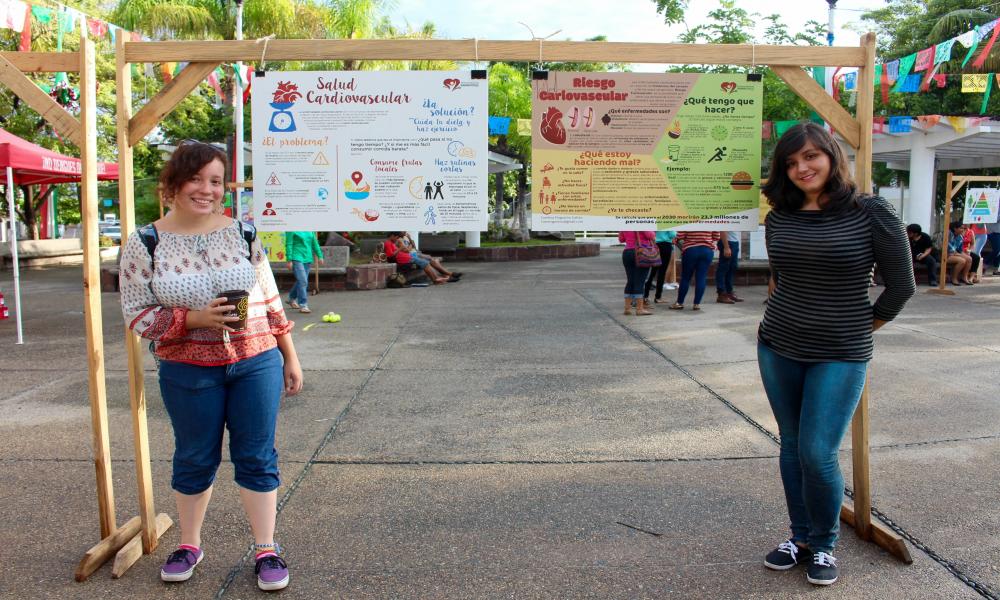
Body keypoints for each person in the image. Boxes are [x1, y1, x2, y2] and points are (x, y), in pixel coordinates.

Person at [118, 141, 302, 592]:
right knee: (195, 457)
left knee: (257, 456)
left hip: (256, 360)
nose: (207, 189)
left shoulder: (243, 232)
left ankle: (266, 548)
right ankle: (189, 544)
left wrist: (289, 354)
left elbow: (268, 295)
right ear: (174, 184)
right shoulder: (145, 243)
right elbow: (137, 313)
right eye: (197, 179)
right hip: (187, 368)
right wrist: (191, 319)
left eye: (216, 181)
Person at [758, 123, 915, 586]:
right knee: (791, 444)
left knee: (817, 450)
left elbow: (901, 285)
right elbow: (780, 277)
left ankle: (825, 544)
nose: (801, 168)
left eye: (810, 157)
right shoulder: (780, 215)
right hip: (778, 346)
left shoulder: (871, 212)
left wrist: (863, 327)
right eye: (790, 162)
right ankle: (800, 538)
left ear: (830, 155)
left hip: (841, 353)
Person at [669, 230, 720, 311]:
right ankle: (696, 304)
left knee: (686, 277)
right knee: (701, 277)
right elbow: (716, 237)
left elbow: (680, 236)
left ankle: (679, 303)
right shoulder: (711, 220)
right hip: (707, 251)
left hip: (691, 250)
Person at [384, 232, 459, 283]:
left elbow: (410, 248)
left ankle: (441, 277)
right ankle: (437, 279)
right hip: (407, 258)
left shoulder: (392, 242)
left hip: (409, 256)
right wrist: (401, 248)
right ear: (392, 235)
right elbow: (391, 255)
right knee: (426, 263)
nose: (397, 238)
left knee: (428, 261)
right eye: (396, 237)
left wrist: (408, 241)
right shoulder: (388, 243)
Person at [284, 231, 323, 314]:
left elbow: (314, 243)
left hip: (307, 258)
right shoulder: (291, 229)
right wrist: (289, 260)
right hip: (296, 257)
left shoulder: (310, 229)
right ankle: (303, 305)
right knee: (303, 281)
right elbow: (289, 244)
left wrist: (320, 256)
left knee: (301, 281)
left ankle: (291, 299)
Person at [618, 230, 655, 315]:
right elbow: (650, 235)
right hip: (641, 252)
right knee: (640, 282)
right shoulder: (641, 221)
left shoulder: (625, 223)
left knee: (630, 281)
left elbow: (621, 239)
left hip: (627, 253)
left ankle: (627, 308)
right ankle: (639, 309)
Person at [643, 229, 676, 305]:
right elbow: (672, 234)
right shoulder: (667, 222)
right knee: (662, 272)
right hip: (665, 246)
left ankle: (645, 296)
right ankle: (658, 297)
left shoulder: (656, 221)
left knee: (652, 272)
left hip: (656, 245)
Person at [715, 231, 744, 303]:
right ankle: (721, 294)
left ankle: (729, 292)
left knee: (732, 268)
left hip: (734, 242)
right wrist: (726, 247)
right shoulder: (726, 219)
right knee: (723, 268)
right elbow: (723, 230)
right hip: (728, 242)